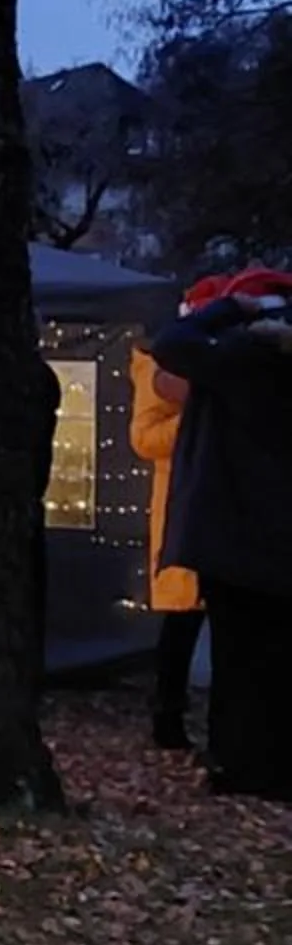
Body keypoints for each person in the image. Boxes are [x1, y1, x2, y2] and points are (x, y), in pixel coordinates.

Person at [148, 267, 292, 800]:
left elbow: (172, 343)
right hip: (276, 535)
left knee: (239, 659)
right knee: (274, 657)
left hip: (236, 532)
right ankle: (274, 766)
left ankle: (242, 766)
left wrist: (228, 309)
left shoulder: (242, 360)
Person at [130, 345, 203, 750]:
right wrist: (197, 420)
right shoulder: (155, 368)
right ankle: (168, 713)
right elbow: (144, 439)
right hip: (182, 506)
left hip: (221, 504)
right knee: (182, 618)